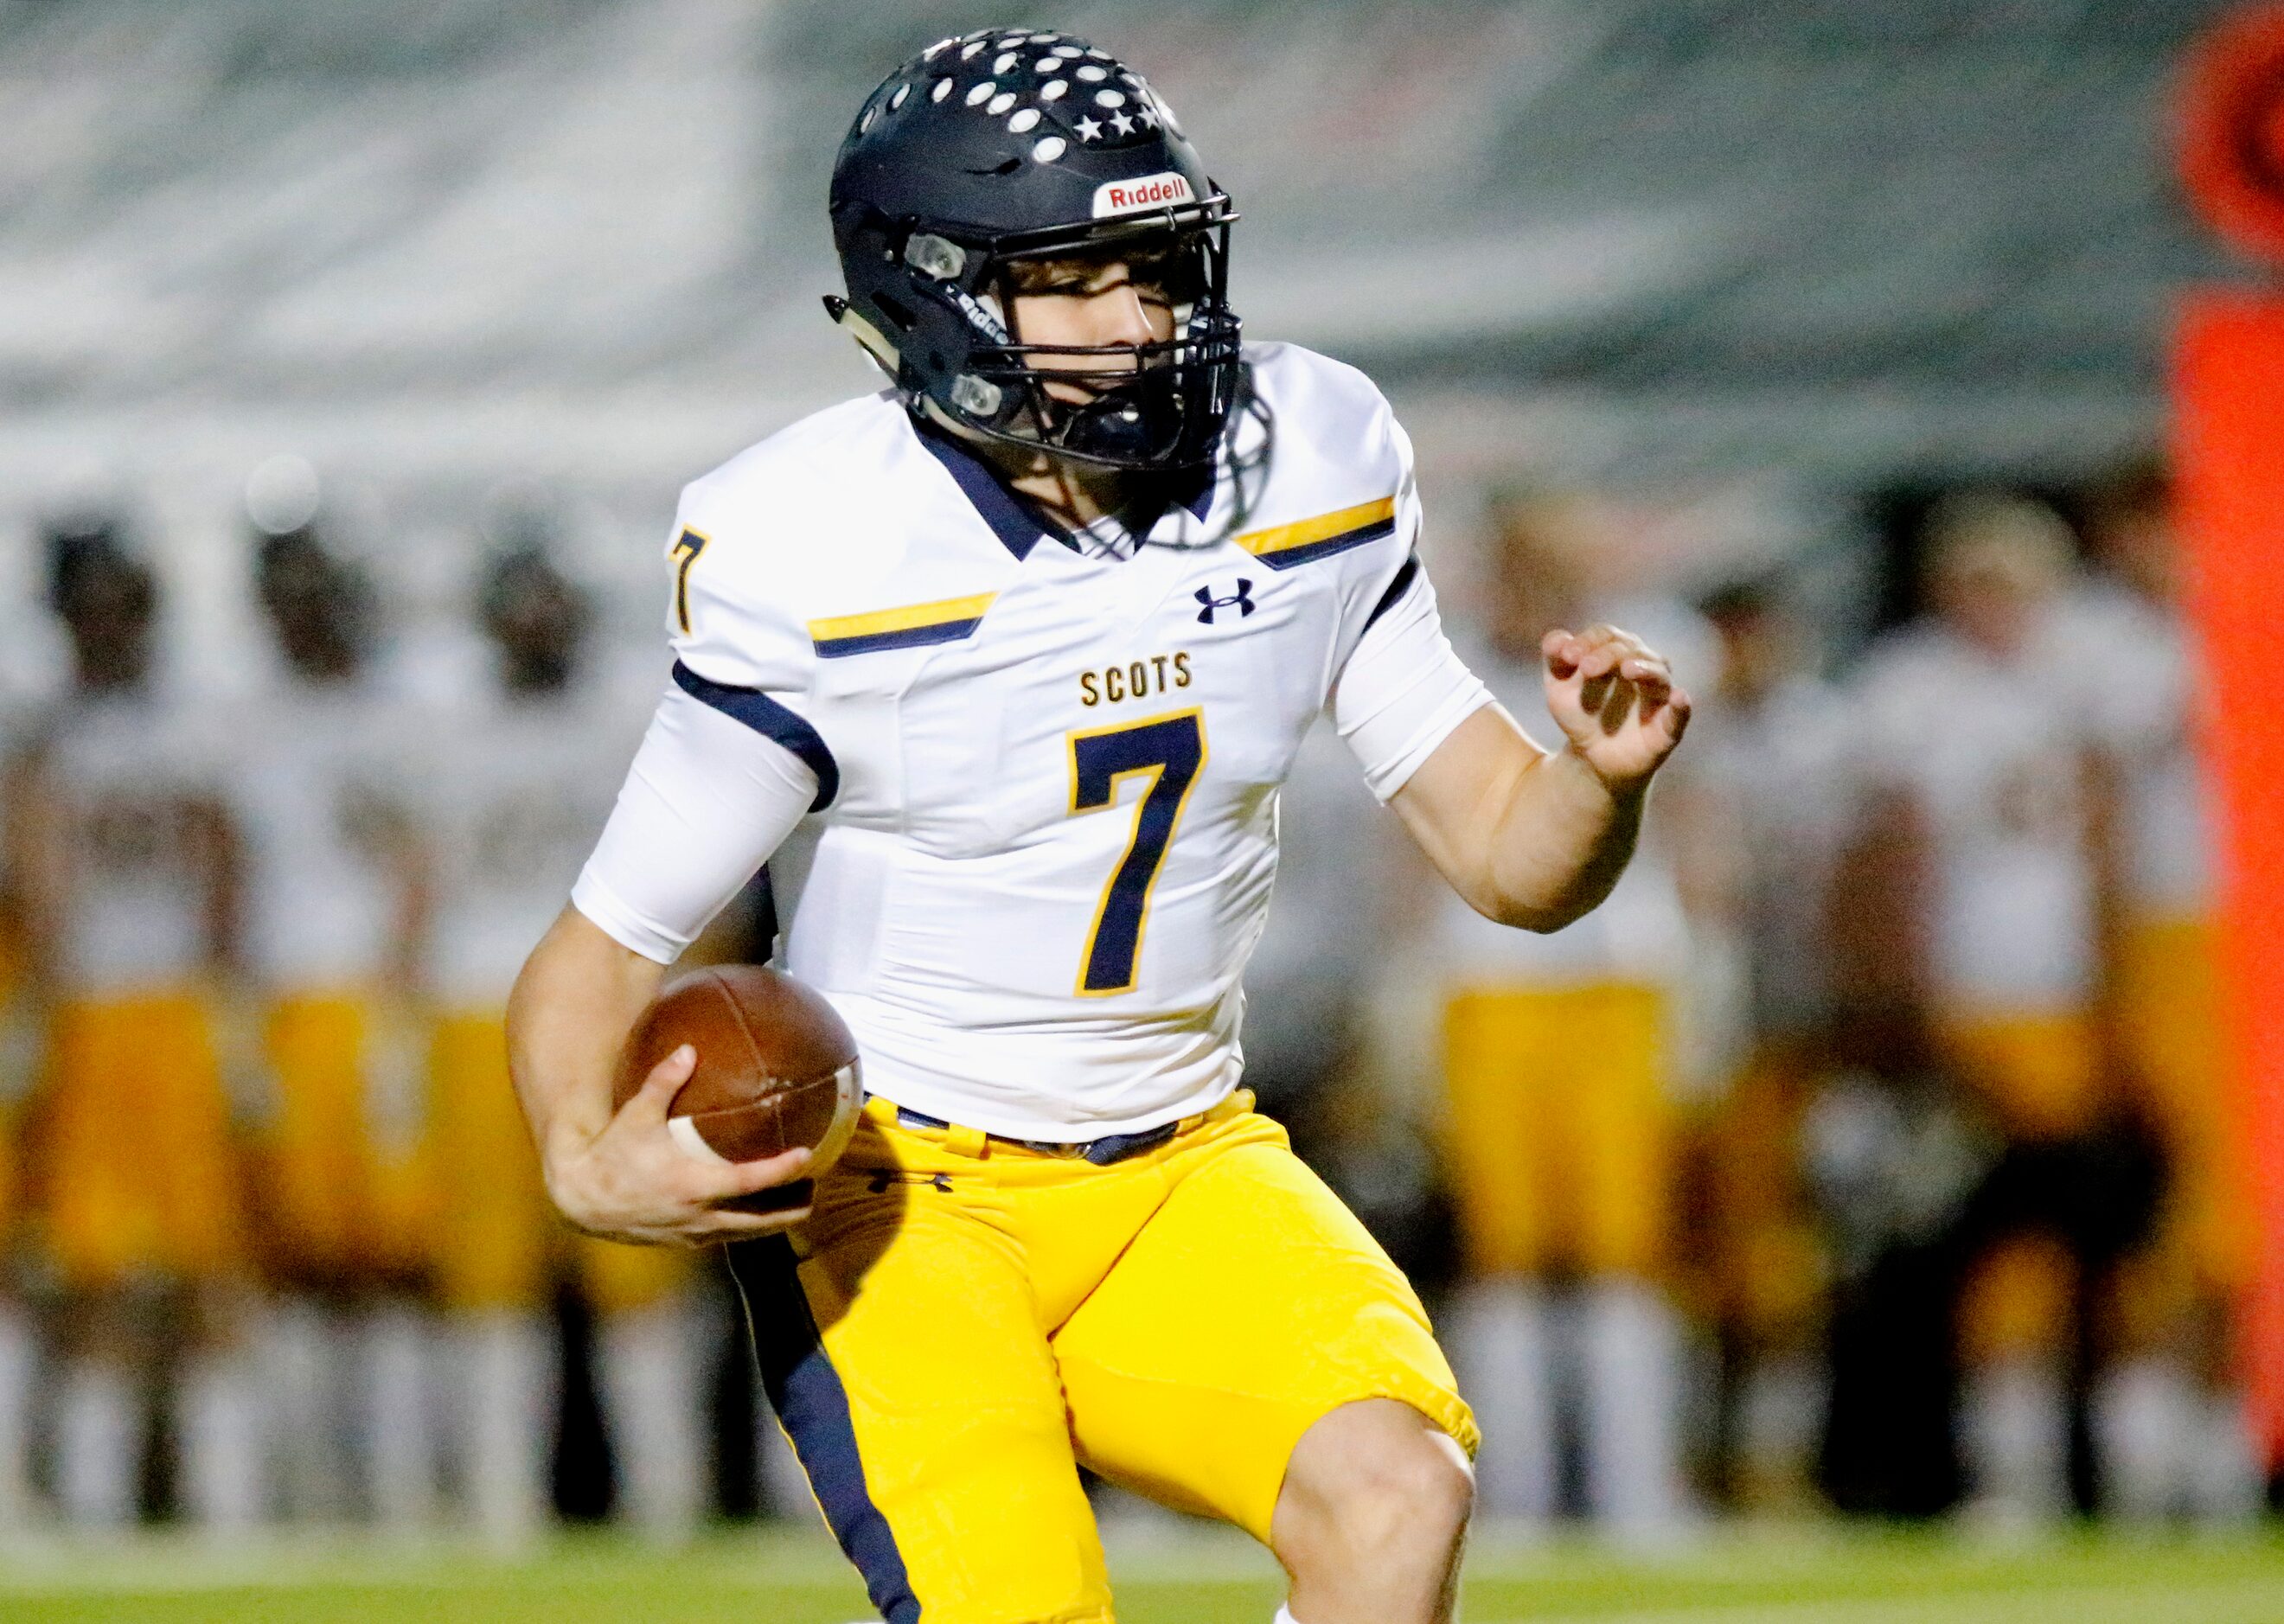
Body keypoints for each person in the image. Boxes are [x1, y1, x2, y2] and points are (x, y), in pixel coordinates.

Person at [508, 30, 1689, 1624]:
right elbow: (607, 938)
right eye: (1081, 277)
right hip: (906, 1194)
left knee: (1395, 1492)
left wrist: (1595, 787)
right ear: (932, 292)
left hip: (1186, 1158)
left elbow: (1509, 857)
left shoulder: (1310, 456)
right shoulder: (818, 543)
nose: (1140, 319)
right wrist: (584, 1159)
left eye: (1156, 266)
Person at [1430, 494, 1705, 1540]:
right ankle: (1520, 1493)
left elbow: (1694, 817)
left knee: (1626, 1243)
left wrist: (1713, 966)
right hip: (1487, 981)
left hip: (1622, 975)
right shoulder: (1445, 671)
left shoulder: (1655, 649)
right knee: (1504, 1247)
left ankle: (1636, 1490)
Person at [418, 543, 700, 1544]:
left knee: (641, 1274)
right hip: (471, 1004)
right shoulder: (441, 722)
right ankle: (503, 1505)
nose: (532, 627)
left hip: (604, 1015)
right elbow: (420, 879)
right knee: (488, 1280)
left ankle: (668, 1504)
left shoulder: (630, 715)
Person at [1839, 494, 2104, 1525]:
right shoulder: (1911, 688)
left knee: (2082, 1250)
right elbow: (1885, 861)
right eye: (1974, 582)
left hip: (2072, 1002)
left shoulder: (2088, 674)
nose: (1991, 606)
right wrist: (1900, 1003)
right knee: (1963, 1252)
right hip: (1966, 1004)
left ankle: (2080, 1466)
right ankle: (1985, 1466)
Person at [7, 526, 261, 1532]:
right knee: (94, 1269)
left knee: (208, 1268)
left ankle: (221, 1498)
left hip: (166, 1008)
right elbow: (40, 886)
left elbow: (221, 874)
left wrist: (233, 1014)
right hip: (97, 1013)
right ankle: (102, 1499)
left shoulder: (172, 730)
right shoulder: (50, 740)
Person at [2048, 465, 2258, 1520]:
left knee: (2234, 1210)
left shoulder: (2249, 607)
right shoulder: (2097, 644)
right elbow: (2098, 817)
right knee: (2172, 1206)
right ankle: (2162, 1458)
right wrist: (2101, 963)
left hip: (2244, 935)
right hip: (2167, 936)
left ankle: (2217, 1452)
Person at [229, 520, 438, 1526]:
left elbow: (415, 870)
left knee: (395, 1260)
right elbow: (224, 873)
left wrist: (403, 1011)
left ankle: (397, 1486)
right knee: (293, 1259)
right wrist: (234, 1020)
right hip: (285, 1003)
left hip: (375, 1003)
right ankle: (304, 1484)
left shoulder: (397, 717)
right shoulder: (243, 721)